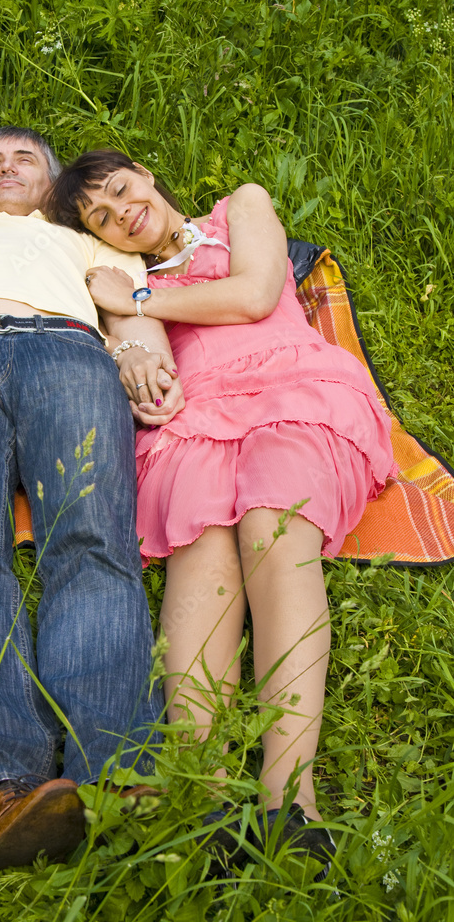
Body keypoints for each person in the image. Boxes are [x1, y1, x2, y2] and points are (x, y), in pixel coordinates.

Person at [44, 150, 397, 874]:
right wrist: (142, 370)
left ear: (143, 173)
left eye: (120, 190)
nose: (121, 213)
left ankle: (288, 798)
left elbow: (253, 294)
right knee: (200, 543)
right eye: (102, 217)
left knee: (273, 525)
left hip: (295, 393)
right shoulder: (120, 273)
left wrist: (137, 299)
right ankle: (197, 798)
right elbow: (138, 351)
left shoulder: (240, 205)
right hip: (198, 416)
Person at [0, 128, 183, 873]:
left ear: (52, 188)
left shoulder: (75, 237)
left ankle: (116, 774)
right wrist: (2, 182)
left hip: (66, 353)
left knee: (89, 542)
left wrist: (143, 354)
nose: (5, 169)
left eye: (26, 159)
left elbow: (131, 308)